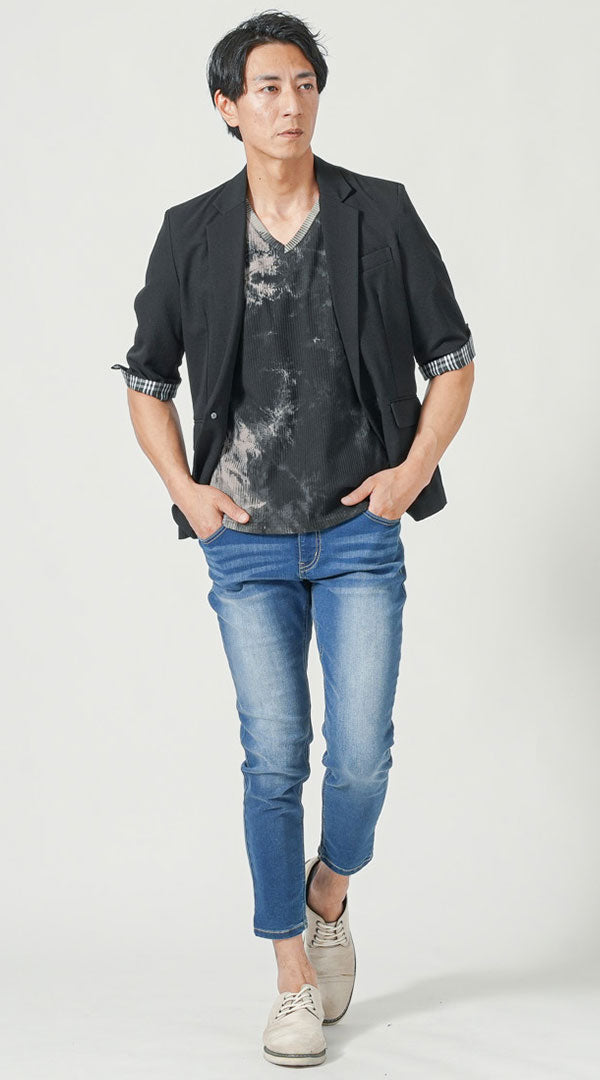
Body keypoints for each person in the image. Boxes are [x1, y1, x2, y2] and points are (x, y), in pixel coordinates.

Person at [111, 10, 475, 1068]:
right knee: (273, 755)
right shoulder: (191, 231)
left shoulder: (380, 212)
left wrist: (410, 474)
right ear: (227, 107)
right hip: (245, 539)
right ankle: (290, 976)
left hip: (359, 530)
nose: (290, 103)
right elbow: (145, 377)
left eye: (304, 83)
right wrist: (186, 490)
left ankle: (329, 893)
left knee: (359, 756)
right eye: (267, 87)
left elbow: (452, 357)